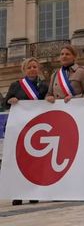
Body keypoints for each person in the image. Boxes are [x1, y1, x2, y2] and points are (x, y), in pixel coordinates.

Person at [4, 57, 48, 206]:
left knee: (35, 162)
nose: (32, 69)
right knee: (18, 162)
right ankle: (17, 194)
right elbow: (5, 102)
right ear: (24, 69)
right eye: (29, 67)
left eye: (35, 67)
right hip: (19, 128)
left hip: (37, 128)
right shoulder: (16, 85)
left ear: (39, 69)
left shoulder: (43, 86)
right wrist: (11, 100)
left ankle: (33, 193)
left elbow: (47, 101)